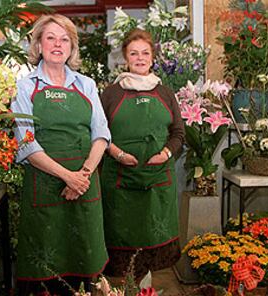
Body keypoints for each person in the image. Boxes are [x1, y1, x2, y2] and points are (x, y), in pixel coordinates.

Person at [11, 14, 111, 296]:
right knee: (46, 274)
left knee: (86, 267)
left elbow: (101, 134)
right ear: (39, 44)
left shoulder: (87, 85)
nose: (58, 44)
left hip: (85, 186)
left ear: (72, 46)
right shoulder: (25, 87)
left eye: (64, 39)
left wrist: (84, 176)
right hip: (45, 189)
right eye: (50, 38)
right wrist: (69, 177)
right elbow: (27, 143)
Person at [100, 29, 185, 281]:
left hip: (158, 181)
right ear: (125, 58)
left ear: (153, 57)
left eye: (145, 53)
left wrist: (166, 153)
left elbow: (178, 133)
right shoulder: (111, 93)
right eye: (133, 53)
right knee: (121, 257)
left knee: (154, 256)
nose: (140, 58)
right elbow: (98, 133)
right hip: (120, 181)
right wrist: (117, 153)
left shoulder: (166, 93)